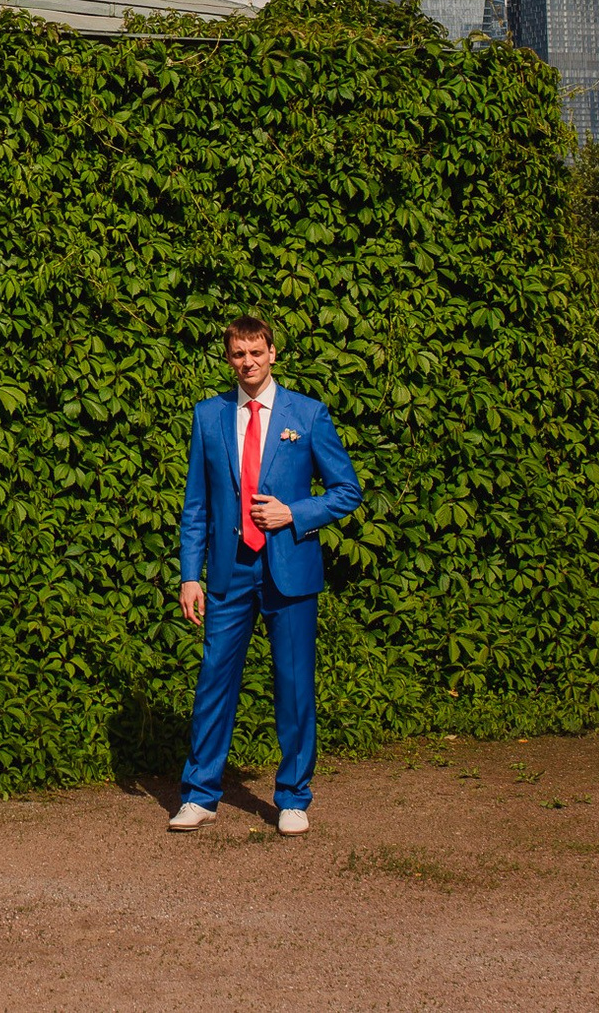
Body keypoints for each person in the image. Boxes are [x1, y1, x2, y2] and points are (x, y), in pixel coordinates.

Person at [169, 314, 361, 836]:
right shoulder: (208, 417)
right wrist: (191, 575)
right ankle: (200, 794)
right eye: (238, 354)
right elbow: (196, 506)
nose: (248, 362)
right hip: (230, 572)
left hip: (290, 571)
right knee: (213, 683)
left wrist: (294, 513)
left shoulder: (309, 413)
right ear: (228, 358)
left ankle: (293, 798)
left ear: (273, 353)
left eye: (257, 352)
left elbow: (347, 491)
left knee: (295, 686)